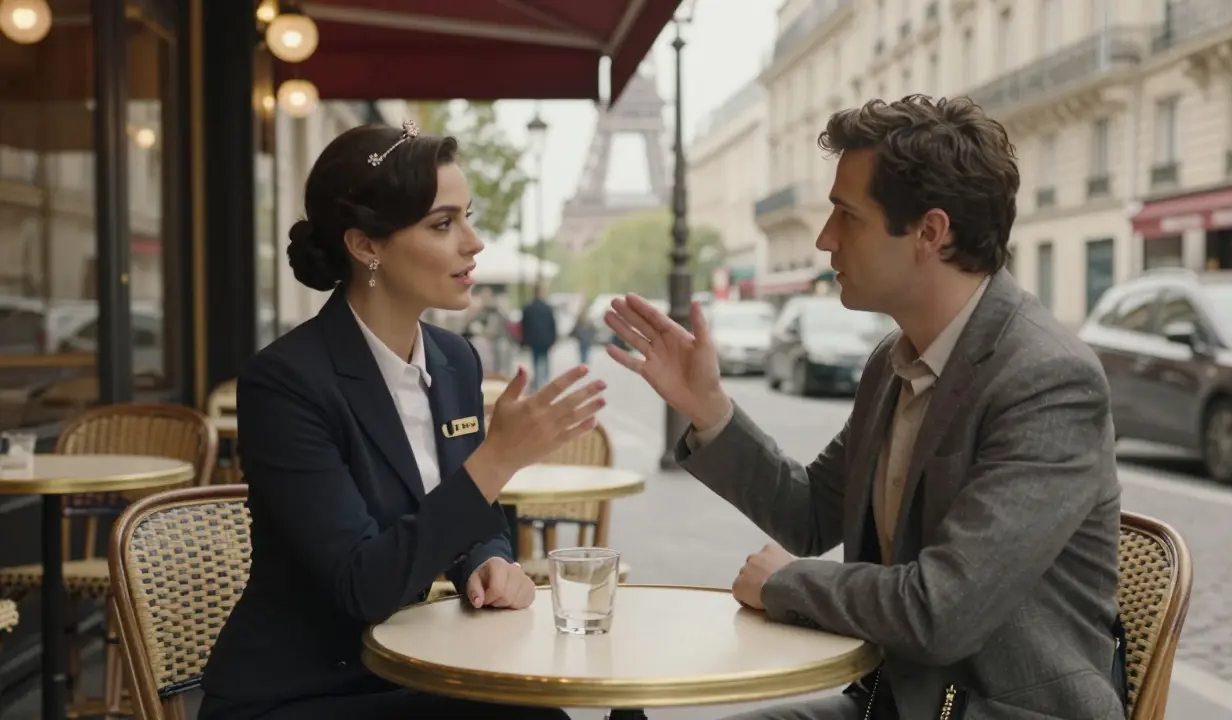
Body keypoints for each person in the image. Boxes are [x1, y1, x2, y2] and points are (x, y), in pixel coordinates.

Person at [604, 96, 1124, 720]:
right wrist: (710, 409)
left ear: (930, 233)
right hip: (897, 705)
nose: (825, 238)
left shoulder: (1046, 378)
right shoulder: (893, 361)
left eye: (846, 215)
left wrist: (787, 582)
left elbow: (943, 611)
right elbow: (812, 514)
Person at [199, 122, 605, 720]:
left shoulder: (455, 360)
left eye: (468, 216)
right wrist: (499, 459)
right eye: (443, 224)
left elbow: (472, 517)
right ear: (366, 245)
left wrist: (492, 560)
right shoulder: (286, 383)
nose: (474, 242)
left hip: (413, 665)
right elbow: (364, 585)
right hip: (300, 692)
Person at [520, 285, 558, 389]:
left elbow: (524, 326)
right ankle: (545, 382)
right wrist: (553, 339)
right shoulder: (547, 308)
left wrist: (523, 341)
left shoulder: (528, 308)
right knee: (545, 361)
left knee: (536, 361)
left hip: (533, 340)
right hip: (545, 340)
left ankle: (537, 383)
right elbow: (552, 325)